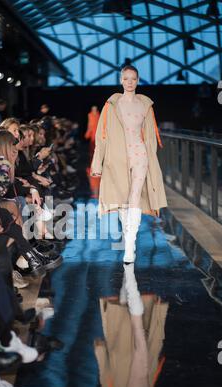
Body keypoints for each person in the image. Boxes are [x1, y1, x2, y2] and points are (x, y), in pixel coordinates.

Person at [90, 65, 167, 263]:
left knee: (134, 199)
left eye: (133, 78)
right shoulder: (112, 104)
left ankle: (130, 246)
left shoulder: (145, 105)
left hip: (140, 156)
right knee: (124, 201)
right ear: (121, 80)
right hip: (117, 158)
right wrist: (97, 162)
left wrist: (152, 160)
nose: (130, 82)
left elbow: (150, 136)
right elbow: (102, 135)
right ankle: (128, 236)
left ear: (138, 80)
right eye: (126, 78)